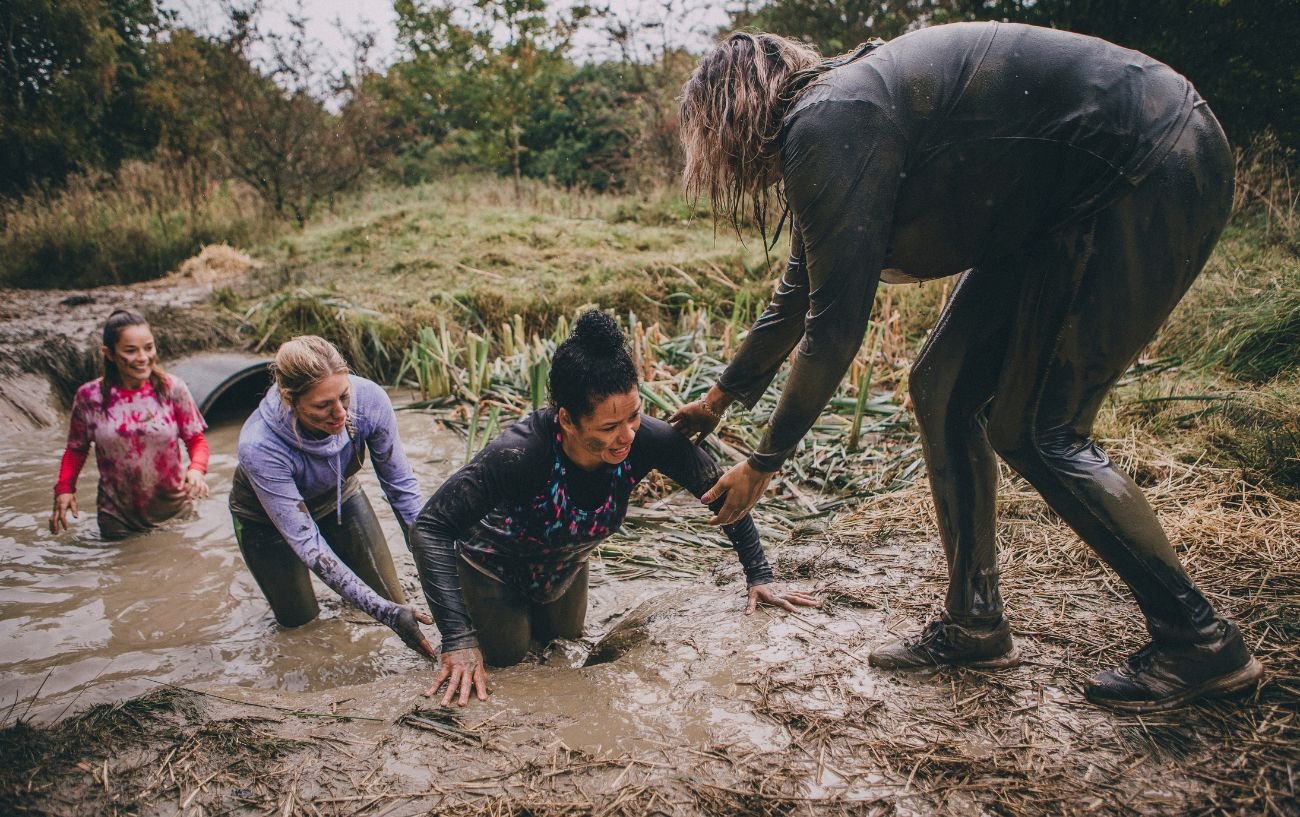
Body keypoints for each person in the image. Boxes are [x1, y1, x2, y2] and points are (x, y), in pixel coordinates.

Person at [670, 22, 1262, 712]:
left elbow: (832, 331)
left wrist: (764, 463)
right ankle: (974, 620)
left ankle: (1200, 640)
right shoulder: (833, 124)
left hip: (1147, 160)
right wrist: (718, 399)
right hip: (1051, 206)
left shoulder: (829, 121)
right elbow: (797, 296)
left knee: (1040, 427)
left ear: (731, 115)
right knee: (944, 386)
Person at [412, 310, 817, 706]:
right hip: (492, 569)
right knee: (511, 661)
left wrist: (758, 576)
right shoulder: (519, 453)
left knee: (566, 648)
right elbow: (430, 527)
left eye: (634, 416)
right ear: (568, 419)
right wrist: (458, 638)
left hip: (565, 566)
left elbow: (722, 494)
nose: (626, 436)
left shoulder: (647, 441)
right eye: (608, 428)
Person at [229, 335, 436, 658]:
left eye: (343, 397)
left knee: (395, 600)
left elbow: (402, 489)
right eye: (322, 406)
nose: (339, 413)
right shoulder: (259, 445)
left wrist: (437, 562)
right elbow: (308, 545)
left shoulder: (369, 399)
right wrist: (384, 613)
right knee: (301, 626)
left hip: (340, 497)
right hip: (264, 524)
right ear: (290, 399)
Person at [50, 309, 210, 540]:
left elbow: (195, 439)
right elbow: (76, 449)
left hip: (175, 510)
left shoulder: (171, 389)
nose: (143, 357)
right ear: (110, 354)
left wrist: (196, 470)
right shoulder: (90, 398)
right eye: (130, 350)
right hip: (117, 517)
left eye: (149, 347)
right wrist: (64, 490)